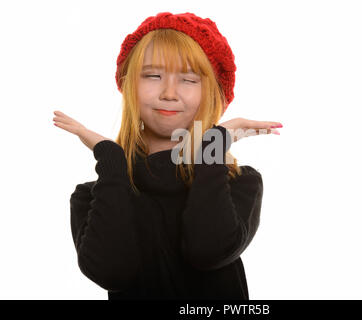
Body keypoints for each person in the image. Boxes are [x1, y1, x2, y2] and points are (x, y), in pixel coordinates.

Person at [53, 12, 283, 300]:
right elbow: (112, 273)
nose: (169, 93)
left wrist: (212, 146)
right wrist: (111, 160)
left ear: (211, 93)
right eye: (153, 75)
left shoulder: (239, 183)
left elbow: (208, 251)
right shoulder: (93, 196)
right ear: (129, 86)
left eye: (188, 79)